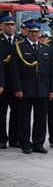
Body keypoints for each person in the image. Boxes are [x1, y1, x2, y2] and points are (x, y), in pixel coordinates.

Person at [10, 20, 53, 154]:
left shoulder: (46, 48)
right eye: (32, 32)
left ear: (40, 33)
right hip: (26, 89)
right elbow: (15, 70)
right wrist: (17, 88)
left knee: (41, 118)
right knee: (24, 118)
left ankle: (38, 143)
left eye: (36, 32)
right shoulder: (19, 47)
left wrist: (52, 89)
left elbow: (51, 72)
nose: (34, 34)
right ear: (27, 32)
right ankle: (25, 142)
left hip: (42, 89)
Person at [0, 13, 16, 148]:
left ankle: (14, 138)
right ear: (1, 26)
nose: (10, 27)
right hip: (3, 84)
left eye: (12, 25)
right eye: (7, 25)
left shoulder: (20, 41)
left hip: (17, 84)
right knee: (1, 113)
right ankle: (1, 139)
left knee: (17, 113)